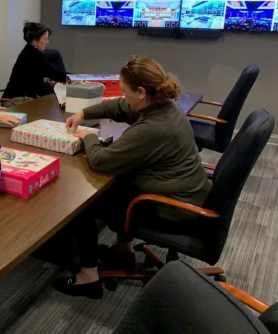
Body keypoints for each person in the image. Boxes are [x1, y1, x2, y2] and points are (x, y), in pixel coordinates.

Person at [54, 56, 210, 298]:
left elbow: (100, 160)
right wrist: (83, 113)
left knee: (84, 200)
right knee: (122, 182)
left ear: (140, 92)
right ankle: (123, 249)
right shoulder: (162, 105)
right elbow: (118, 107)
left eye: (125, 90)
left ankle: (88, 277)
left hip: (174, 207)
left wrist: (88, 136)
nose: (122, 94)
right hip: (183, 190)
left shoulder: (153, 128)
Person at [2, 22, 68, 105]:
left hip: (24, 97)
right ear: (35, 41)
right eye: (45, 39)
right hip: (15, 100)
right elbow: (57, 75)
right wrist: (80, 78)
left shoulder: (32, 52)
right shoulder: (31, 56)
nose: (47, 42)